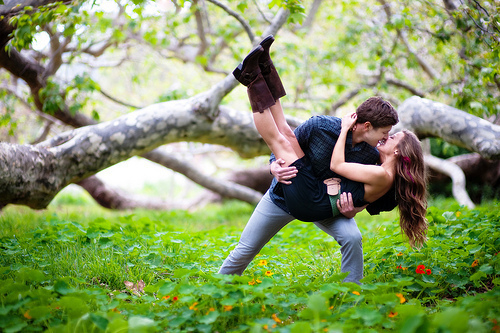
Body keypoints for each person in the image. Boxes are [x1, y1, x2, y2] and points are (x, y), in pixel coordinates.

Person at [220, 36, 420, 283]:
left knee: (352, 237)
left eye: (389, 136)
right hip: (283, 196)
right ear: (366, 126)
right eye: (384, 132)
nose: (385, 138)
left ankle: (351, 291)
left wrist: (354, 209)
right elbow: (283, 141)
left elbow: (378, 197)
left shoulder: (373, 156)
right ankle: (264, 68)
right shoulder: (320, 127)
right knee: (245, 249)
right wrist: (274, 168)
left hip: (322, 204)